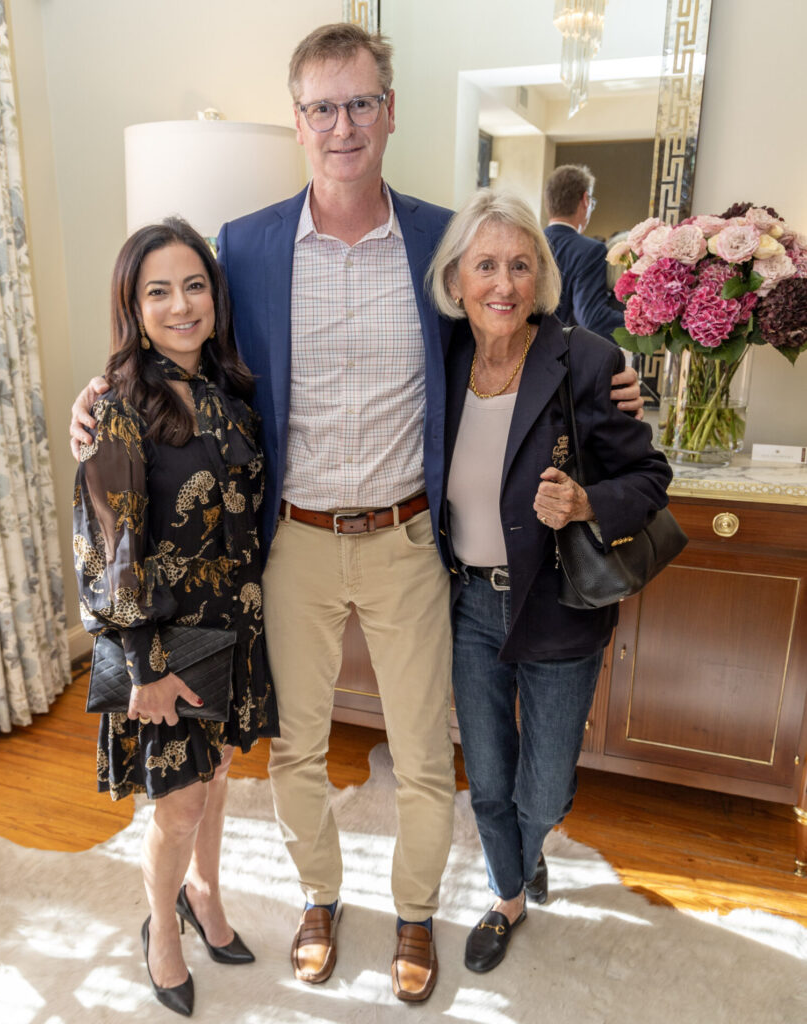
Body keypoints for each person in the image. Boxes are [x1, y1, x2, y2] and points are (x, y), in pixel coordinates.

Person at [69, 23, 643, 1002]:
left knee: (424, 756)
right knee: (296, 748)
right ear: (299, 121)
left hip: (408, 538)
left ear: (388, 112)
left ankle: (414, 910)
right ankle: (318, 896)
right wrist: (103, 391)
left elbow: (518, 320)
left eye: (360, 103)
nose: (343, 125)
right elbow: (186, 343)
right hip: (289, 541)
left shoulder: (438, 236)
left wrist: (607, 376)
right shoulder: (242, 246)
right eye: (323, 107)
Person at [427, 188, 672, 973]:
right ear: (457, 279)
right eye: (486, 265)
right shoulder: (442, 356)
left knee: (542, 792)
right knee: (488, 778)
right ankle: (507, 894)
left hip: (559, 606)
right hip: (469, 604)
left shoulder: (588, 359)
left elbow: (649, 474)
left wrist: (588, 500)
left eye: (521, 266)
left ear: (541, 279)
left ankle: (531, 846)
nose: (503, 284)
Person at [73, 218, 278, 1016]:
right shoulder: (119, 407)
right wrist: (145, 668)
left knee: (218, 773)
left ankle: (205, 892)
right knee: (179, 799)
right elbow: (109, 549)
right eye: (158, 290)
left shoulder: (229, 390)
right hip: (168, 641)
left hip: (237, 621)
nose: (181, 304)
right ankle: (162, 930)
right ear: (133, 304)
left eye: (194, 285)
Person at [544, 164, 625, 344]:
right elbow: (592, 317)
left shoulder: (531, 243)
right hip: (562, 356)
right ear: (585, 200)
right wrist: (639, 322)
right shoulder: (590, 250)